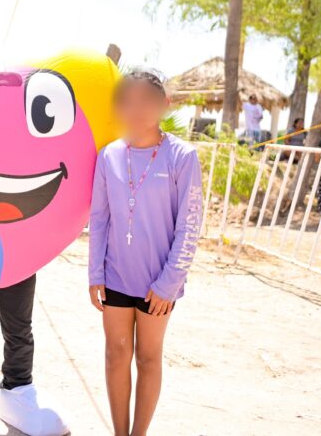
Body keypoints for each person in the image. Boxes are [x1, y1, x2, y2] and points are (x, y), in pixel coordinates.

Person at [88, 70, 203, 436]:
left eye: (147, 101)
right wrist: (95, 274)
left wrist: (169, 282)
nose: (138, 109)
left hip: (159, 281)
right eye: (129, 101)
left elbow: (190, 225)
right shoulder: (109, 157)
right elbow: (99, 219)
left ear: (165, 104)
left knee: (148, 358)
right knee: (115, 354)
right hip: (116, 276)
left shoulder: (182, 156)